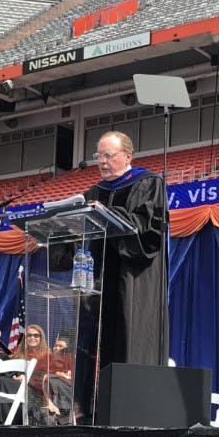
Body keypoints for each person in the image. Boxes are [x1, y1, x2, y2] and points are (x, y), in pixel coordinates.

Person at [83, 130, 168, 367]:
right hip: (97, 281)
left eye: (108, 155)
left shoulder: (149, 183)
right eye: (98, 155)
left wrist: (108, 214)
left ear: (127, 156)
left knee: (125, 336)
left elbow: (148, 229)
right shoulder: (94, 192)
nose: (101, 161)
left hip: (131, 277)